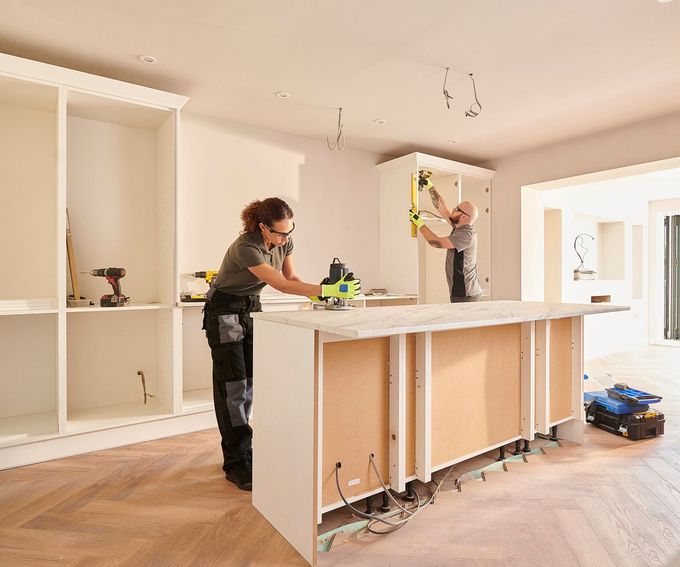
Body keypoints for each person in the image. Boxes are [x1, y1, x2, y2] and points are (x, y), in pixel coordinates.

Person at [203, 197, 360, 491]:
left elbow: (293, 277)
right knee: (232, 387)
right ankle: (235, 463)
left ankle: (245, 451)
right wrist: (327, 289)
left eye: (289, 231)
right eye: (279, 232)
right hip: (224, 311)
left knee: (249, 383)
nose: (285, 238)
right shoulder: (245, 247)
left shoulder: (285, 243)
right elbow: (281, 284)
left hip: (251, 307)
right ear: (263, 227)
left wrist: (321, 295)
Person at [408, 178, 482, 302]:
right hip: (462, 293)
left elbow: (436, 243)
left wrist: (419, 223)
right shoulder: (459, 226)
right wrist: (430, 185)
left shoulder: (465, 235)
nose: (453, 209)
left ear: (464, 216)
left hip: (466, 294)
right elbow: (441, 206)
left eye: (457, 209)